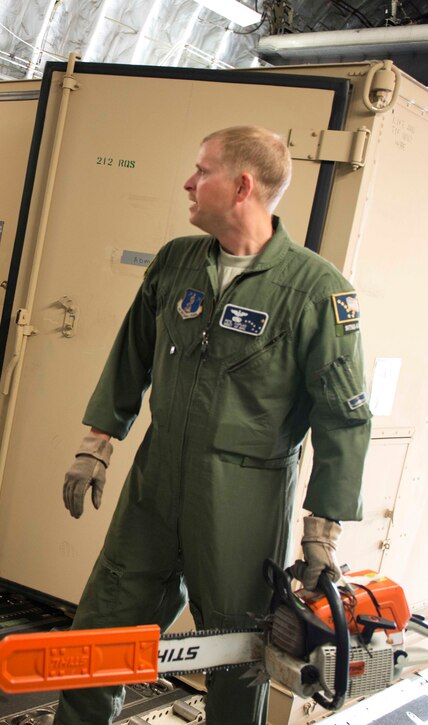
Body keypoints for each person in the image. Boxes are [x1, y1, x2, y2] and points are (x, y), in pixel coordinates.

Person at [55, 126, 372, 725]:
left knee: (236, 658)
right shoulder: (178, 261)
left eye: (202, 171)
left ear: (243, 186)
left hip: (243, 503)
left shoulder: (315, 292)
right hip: (154, 486)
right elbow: (132, 353)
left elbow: (344, 419)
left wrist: (321, 532)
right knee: (100, 634)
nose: (188, 182)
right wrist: (97, 443)